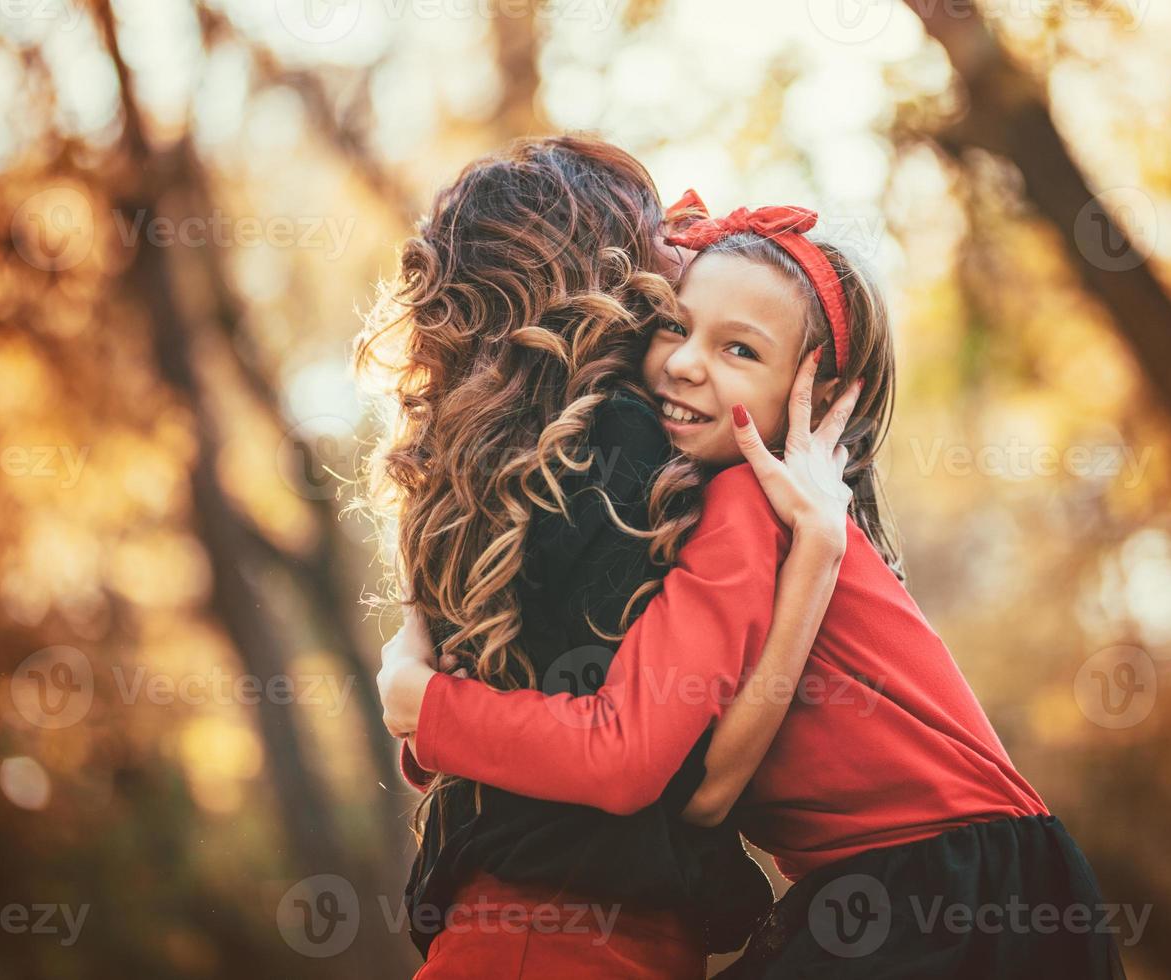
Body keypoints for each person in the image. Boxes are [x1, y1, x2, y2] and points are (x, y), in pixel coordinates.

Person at [381, 193, 1127, 978]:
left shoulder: (744, 501)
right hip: (985, 881)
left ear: (823, 399)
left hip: (945, 892)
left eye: (740, 351)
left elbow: (667, 775)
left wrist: (429, 711)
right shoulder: (752, 512)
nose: (685, 362)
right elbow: (691, 769)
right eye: (674, 323)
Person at [363, 144, 859, 977]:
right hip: (564, 942)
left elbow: (468, 713)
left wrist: (427, 717)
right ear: (607, 269)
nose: (682, 246)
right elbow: (634, 757)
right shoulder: (638, 449)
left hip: (506, 930)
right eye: (657, 233)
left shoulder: (471, 466)